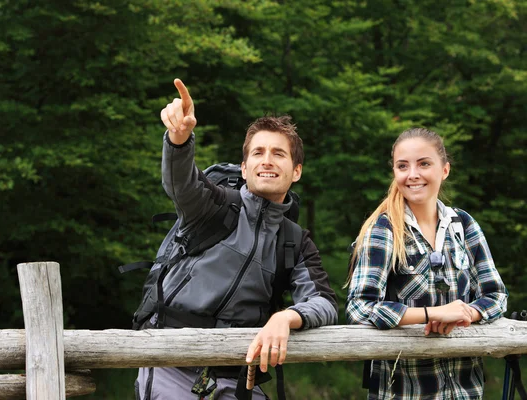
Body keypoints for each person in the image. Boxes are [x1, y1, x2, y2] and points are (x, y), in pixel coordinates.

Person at [135, 78, 338, 400]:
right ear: (244, 168)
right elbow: (180, 183)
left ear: (296, 171)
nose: (267, 160)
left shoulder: (294, 241)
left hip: (238, 376)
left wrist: (287, 317)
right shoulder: (213, 206)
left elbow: (325, 303)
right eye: (258, 152)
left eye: (279, 154)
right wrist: (179, 139)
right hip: (170, 363)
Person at [346, 127, 508, 399]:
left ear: (444, 170)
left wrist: (466, 314)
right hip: (403, 391)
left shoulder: (464, 225)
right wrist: (433, 314)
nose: (412, 174)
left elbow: (496, 295)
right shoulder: (384, 230)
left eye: (424, 164)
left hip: (467, 391)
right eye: (402, 166)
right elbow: (359, 308)